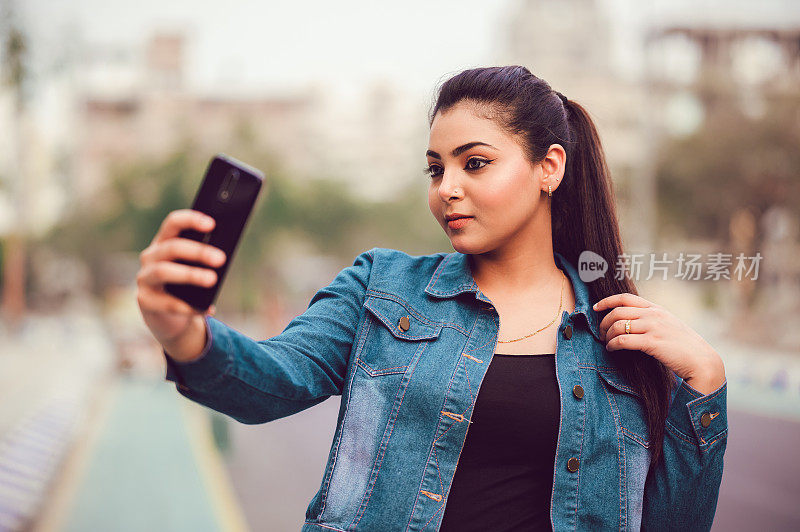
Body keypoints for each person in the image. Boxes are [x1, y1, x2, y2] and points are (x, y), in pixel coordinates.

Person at [136, 65, 728, 531]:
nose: (448, 189)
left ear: (549, 167)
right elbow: (270, 382)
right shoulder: (380, 288)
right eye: (435, 168)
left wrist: (705, 379)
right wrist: (184, 333)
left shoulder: (621, 333)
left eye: (475, 163)